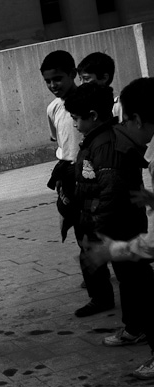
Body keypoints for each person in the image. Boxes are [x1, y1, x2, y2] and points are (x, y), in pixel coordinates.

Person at [81, 77, 154, 380]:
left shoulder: (117, 147)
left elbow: (151, 246)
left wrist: (114, 248)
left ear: (136, 118)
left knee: (140, 284)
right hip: (127, 224)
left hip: (126, 231)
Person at [64, 83, 151, 321]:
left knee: (132, 277)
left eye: (76, 119)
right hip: (115, 224)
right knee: (133, 276)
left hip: (119, 226)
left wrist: (100, 229)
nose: (74, 125)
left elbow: (111, 190)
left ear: (92, 116)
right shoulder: (98, 140)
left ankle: (137, 327)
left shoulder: (104, 144)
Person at [41, 51, 86, 290]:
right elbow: (59, 142)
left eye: (57, 78)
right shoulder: (53, 109)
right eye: (48, 81)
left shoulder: (90, 100)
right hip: (69, 172)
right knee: (79, 224)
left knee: (99, 222)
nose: (52, 85)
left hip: (91, 170)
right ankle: (93, 275)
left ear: (72, 74)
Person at [76, 51, 123, 119]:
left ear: (104, 78)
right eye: (80, 79)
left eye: (86, 78)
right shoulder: (86, 104)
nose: (82, 84)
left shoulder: (119, 106)